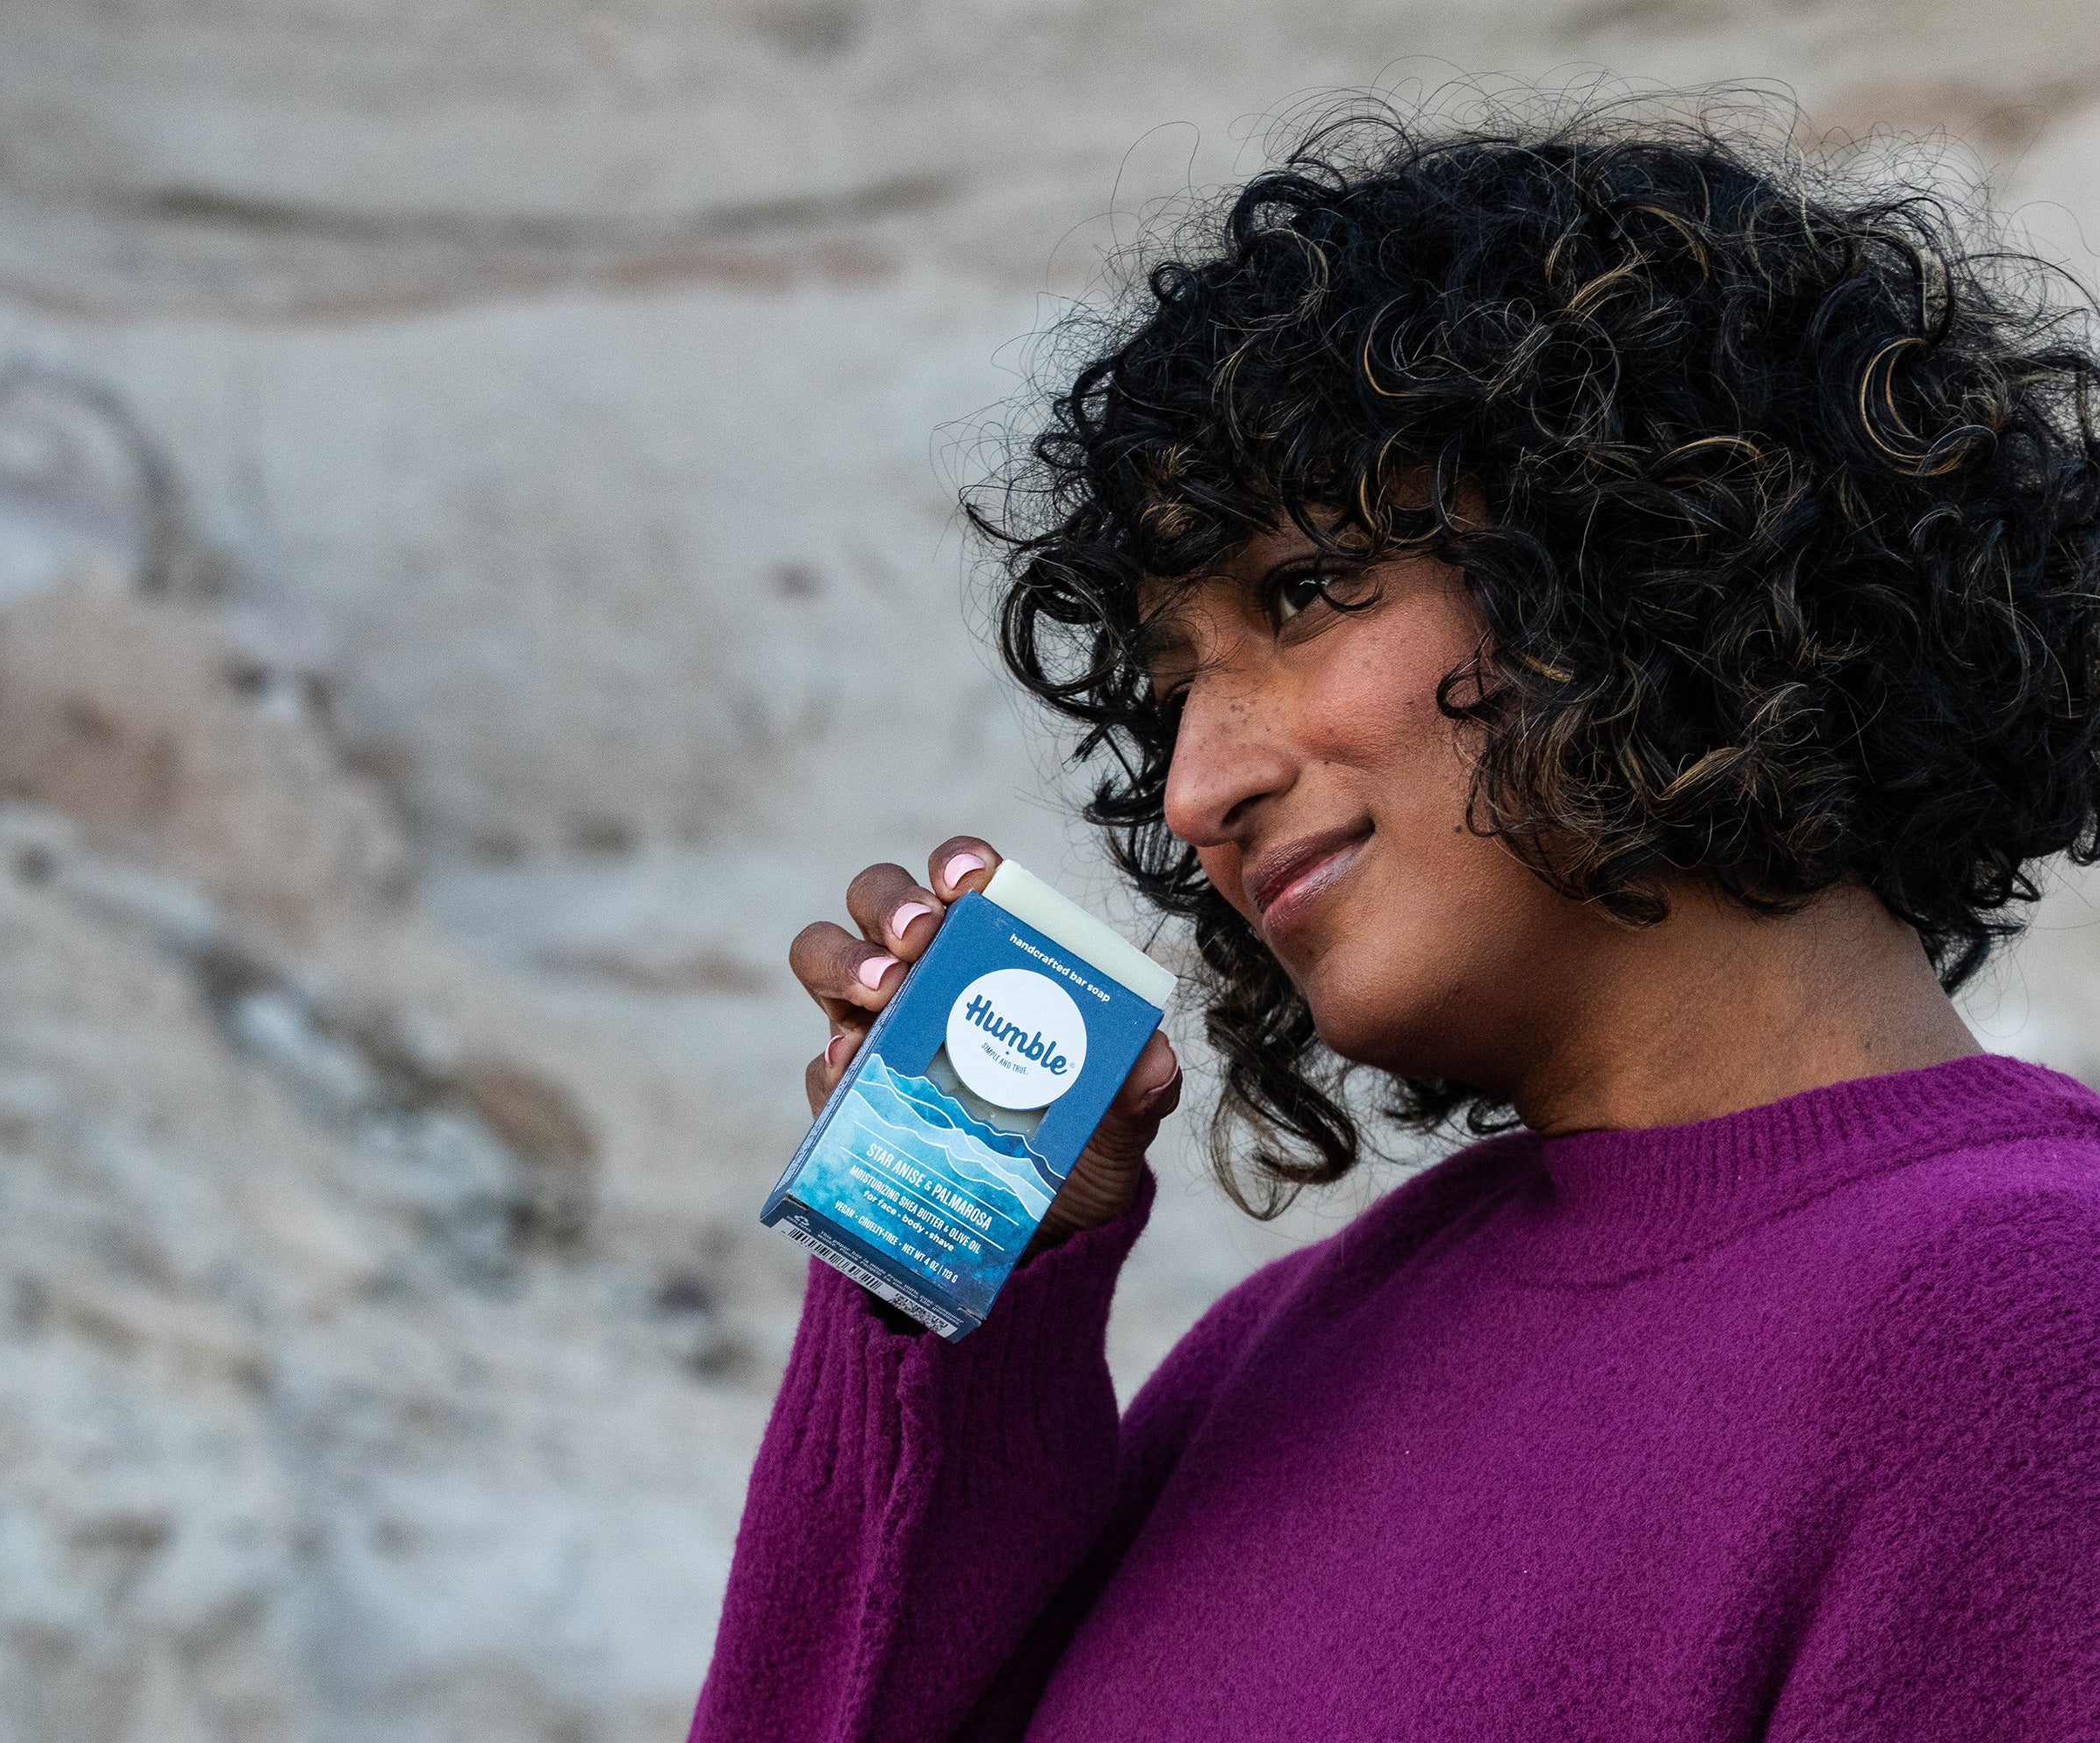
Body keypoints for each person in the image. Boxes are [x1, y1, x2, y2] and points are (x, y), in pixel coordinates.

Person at [690, 95, 2100, 1741]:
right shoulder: (1292, 1348)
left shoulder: (2025, 1320)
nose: (1199, 787)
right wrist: (950, 1272)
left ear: (1651, 537)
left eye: (1297, 593)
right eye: (1168, 700)